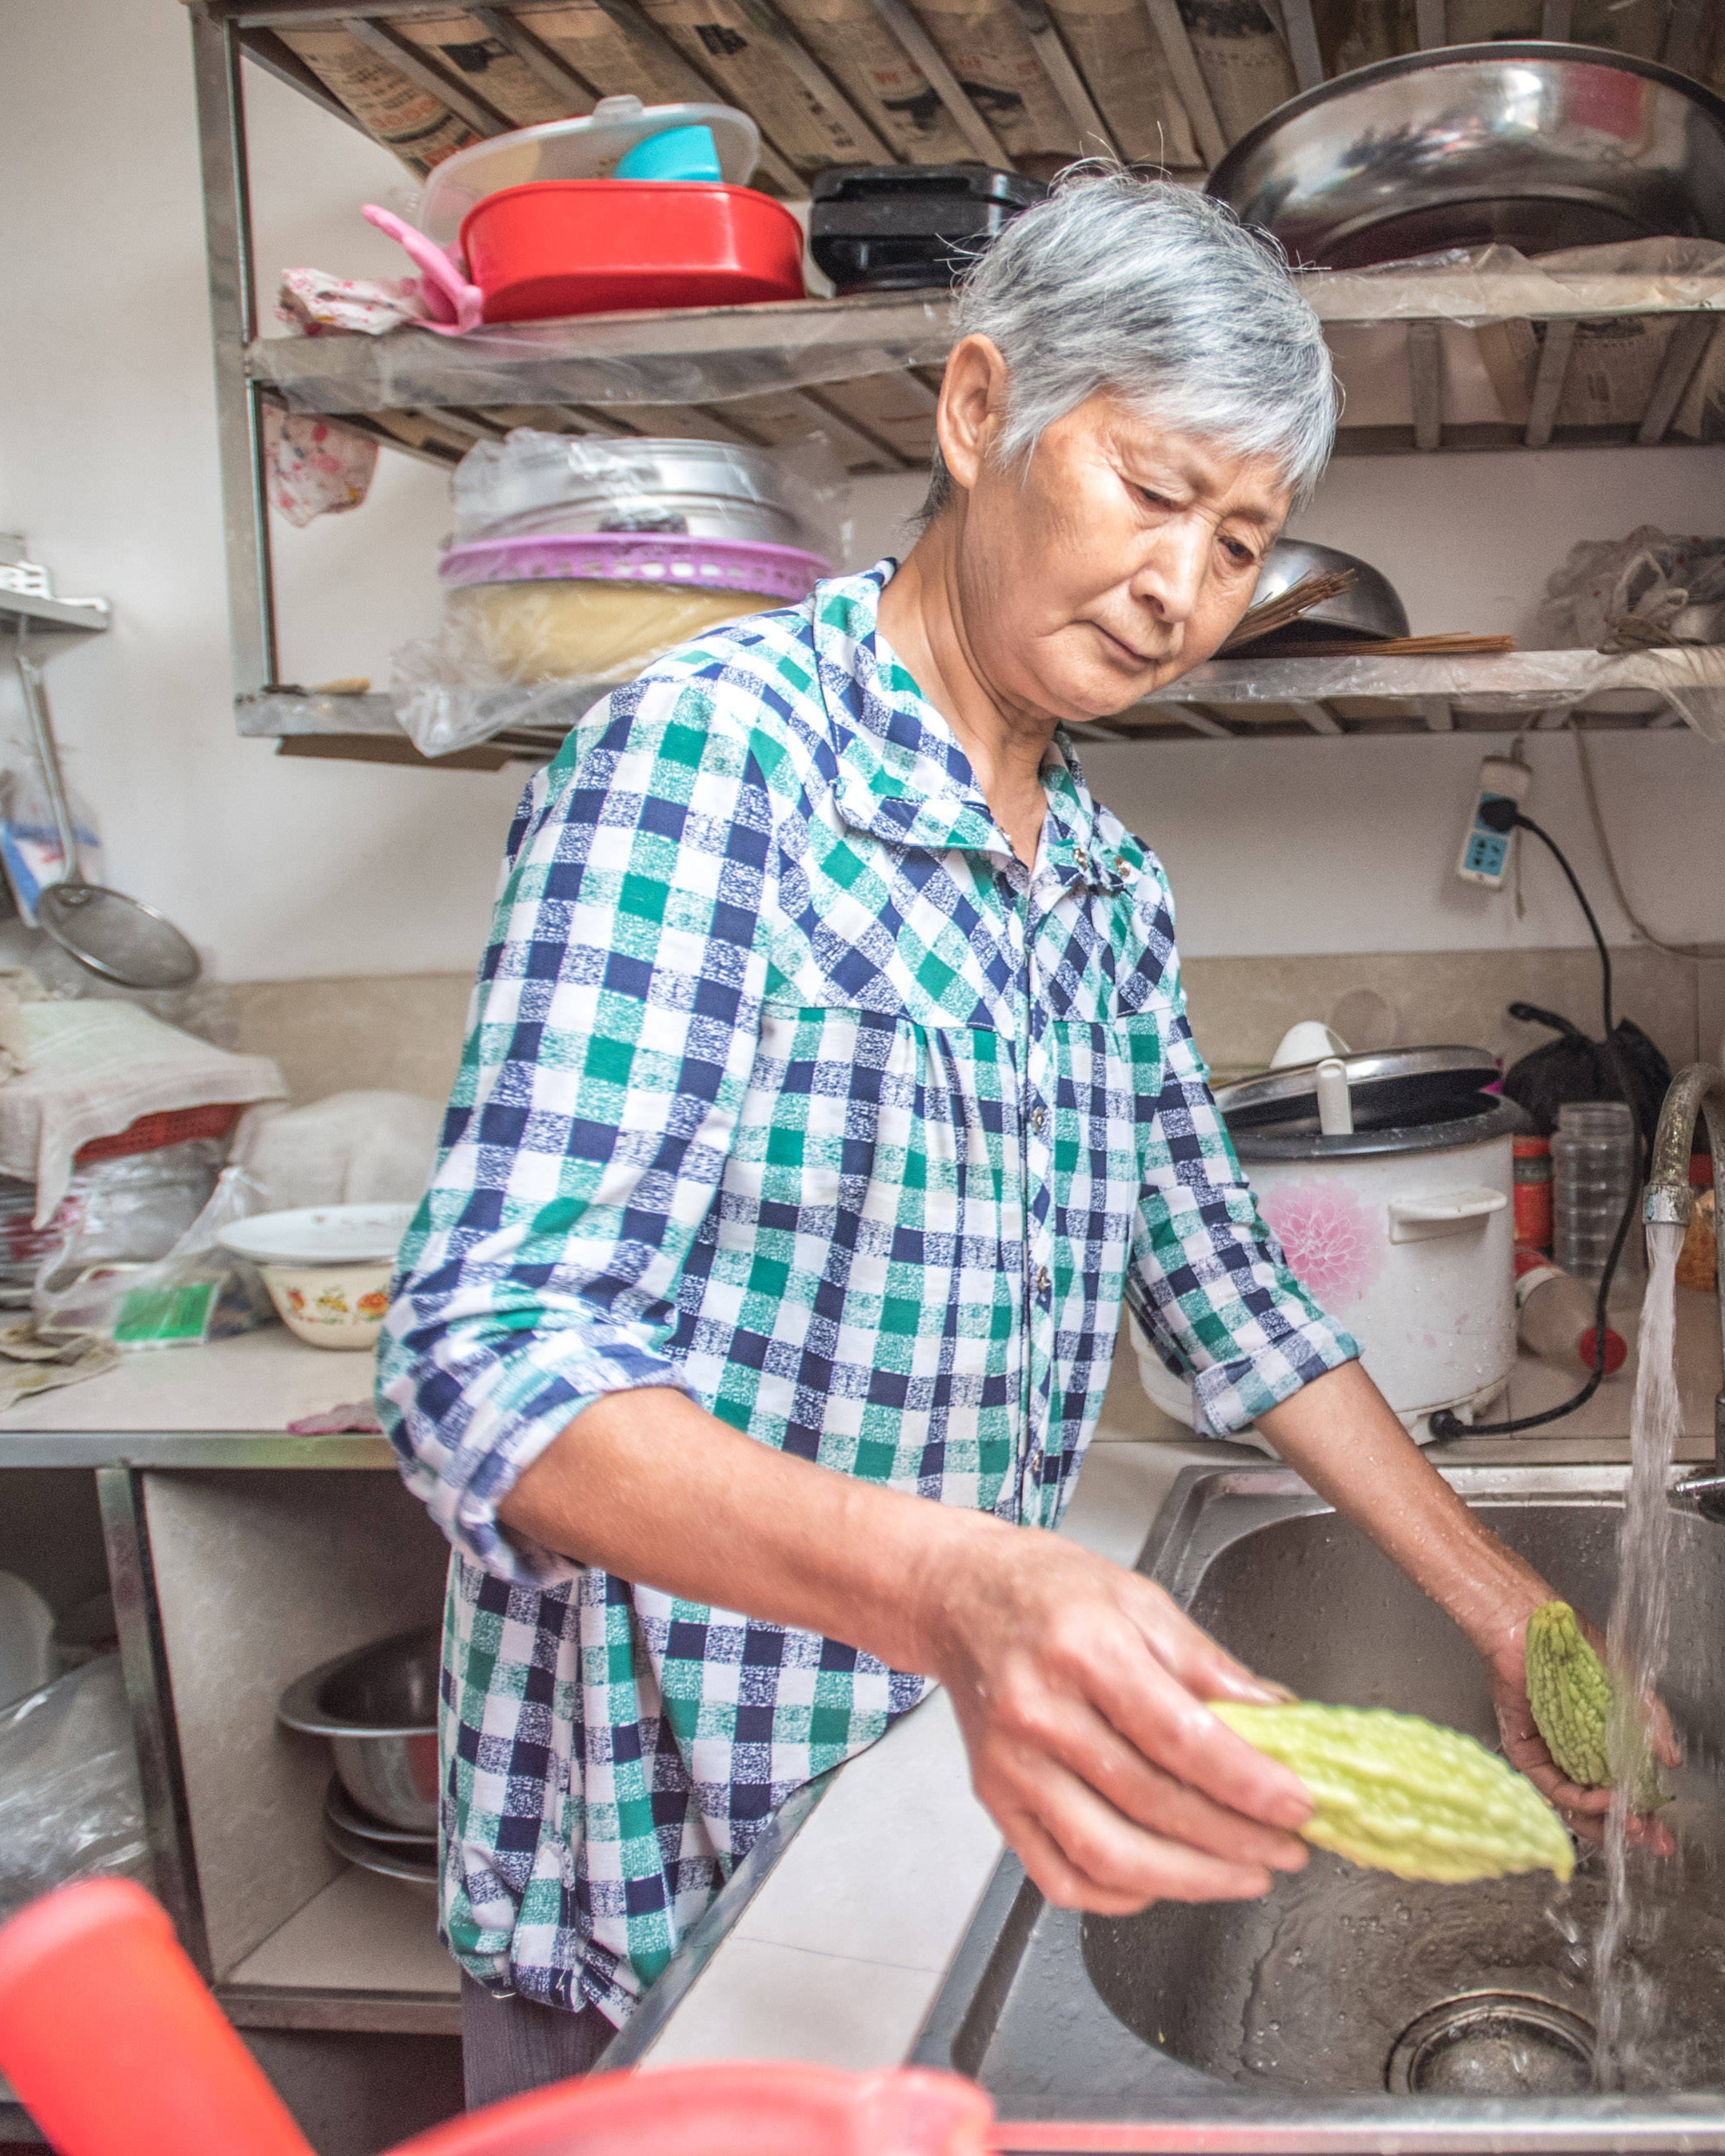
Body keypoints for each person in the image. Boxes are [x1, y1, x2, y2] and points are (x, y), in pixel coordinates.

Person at [378, 173, 1632, 2108]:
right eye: (1150, 492)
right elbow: (484, 1357)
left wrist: (1510, 1605)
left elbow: (1232, 1305)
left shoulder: (1107, 890)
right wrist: (963, 1586)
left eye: (1240, 543)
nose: (1181, 592)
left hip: (918, 1786)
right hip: (665, 1849)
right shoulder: (714, 768)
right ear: (979, 413)